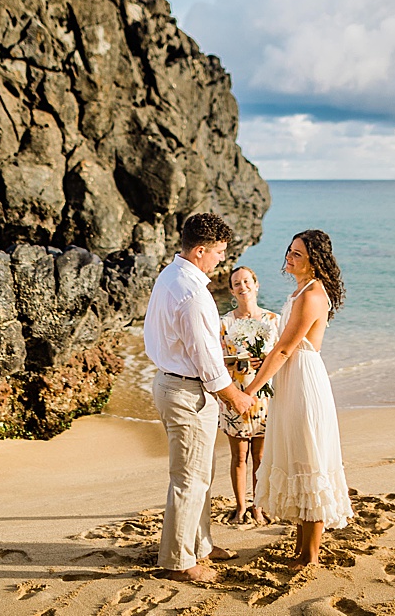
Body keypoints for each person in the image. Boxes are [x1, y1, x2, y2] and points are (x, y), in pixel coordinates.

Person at [143, 212, 256, 583]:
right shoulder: (193, 294)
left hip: (172, 382)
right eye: (219, 252)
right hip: (185, 391)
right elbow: (205, 359)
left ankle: (201, 545)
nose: (222, 259)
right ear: (200, 250)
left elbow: (185, 345)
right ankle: (177, 562)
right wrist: (234, 396)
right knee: (189, 479)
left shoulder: (170, 274)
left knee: (200, 475)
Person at [244, 229, 354, 567]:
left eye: (297, 254)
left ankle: (310, 554)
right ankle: (300, 545)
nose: (289, 258)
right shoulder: (300, 291)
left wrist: (250, 390)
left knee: (309, 458)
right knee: (295, 456)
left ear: (313, 261)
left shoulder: (311, 295)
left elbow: (286, 348)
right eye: (290, 251)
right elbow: (281, 347)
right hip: (291, 378)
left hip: (304, 379)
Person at [218, 265, 280, 526]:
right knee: (239, 456)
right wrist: (236, 364)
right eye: (237, 283)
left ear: (256, 285)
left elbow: (282, 356)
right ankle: (241, 505)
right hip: (235, 394)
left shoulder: (273, 320)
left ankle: (258, 505)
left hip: (265, 397)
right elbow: (216, 361)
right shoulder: (224, 322)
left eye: (246, 281)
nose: (242, 287)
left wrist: (263, 363)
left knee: (261, 457)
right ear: (232, 290)